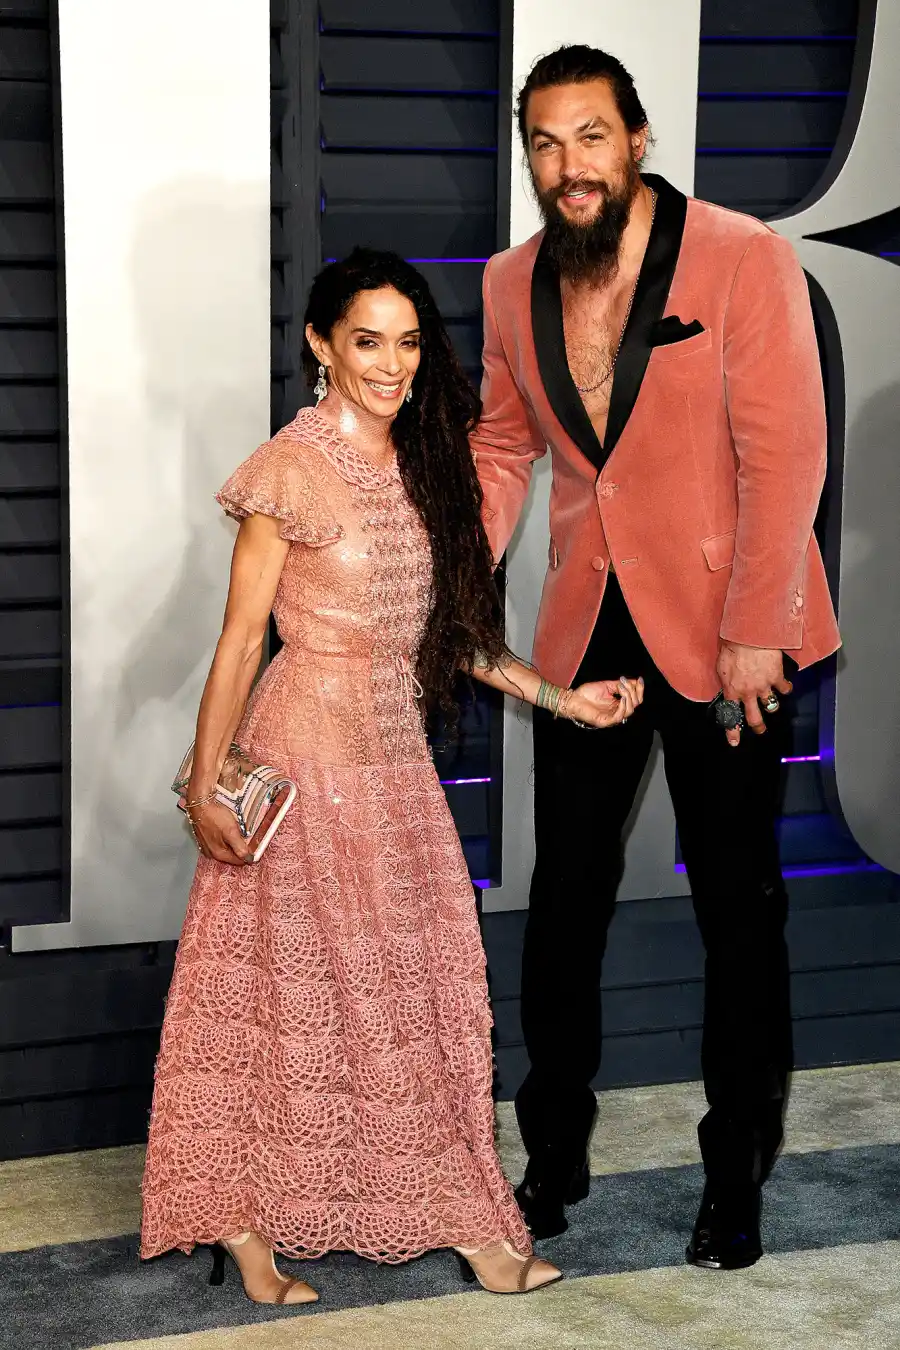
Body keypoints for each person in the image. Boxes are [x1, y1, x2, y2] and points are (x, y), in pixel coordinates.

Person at [139, 247, 644, 1304]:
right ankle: (243, 1222)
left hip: (392, 759)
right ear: (322, 344)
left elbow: (448, 631)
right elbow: (238, 642)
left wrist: (563, 697)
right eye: (367, 341)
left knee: (426, 990)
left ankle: (464, 1213)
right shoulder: (289, 466)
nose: (392, 364)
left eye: (408, 342)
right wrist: (201, 786)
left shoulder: (428, 457)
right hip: (303, 749)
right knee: (275, 996)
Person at [471, 45, 841, 1269]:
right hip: (588, 629)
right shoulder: (509, 280)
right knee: (562, 905)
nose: (567, 165)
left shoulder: (741, 255)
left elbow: (787, 457)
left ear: (637, 140)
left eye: (589, 136)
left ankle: (737, 1172)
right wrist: (446, 574)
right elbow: (503, 439)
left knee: (742, 913)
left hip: (733, 628)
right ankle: (552, 1158)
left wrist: (754, 631)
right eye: (544, 142)